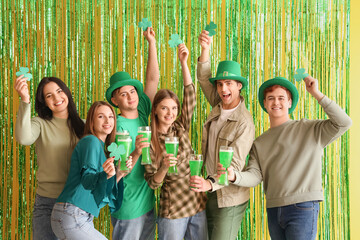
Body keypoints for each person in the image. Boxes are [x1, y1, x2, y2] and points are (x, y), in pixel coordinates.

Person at [223, 76, 352, 239]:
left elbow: (344, 123)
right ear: (265, 104)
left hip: (303, 207)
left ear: (290, 103)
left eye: (281, 98)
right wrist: (234, 176)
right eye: (271, 98)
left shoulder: (309, 129)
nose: (276, 102)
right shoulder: (259, 142)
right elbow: (255, 176)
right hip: (274, 209)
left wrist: (316, 93)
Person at [190, 30, 255, 240]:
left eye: (228, 84)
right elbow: (203, 77)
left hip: (229, 197)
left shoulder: (244, 123)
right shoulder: (218, 104)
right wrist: (205, 49)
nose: (223, 88)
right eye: (219, 84)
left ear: (239, 86)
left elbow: (233, 166)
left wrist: (210, 184)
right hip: (209, 193)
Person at [144, 44, 207, 240]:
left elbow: (190, 96)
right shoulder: (150, 141)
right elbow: (152, 183)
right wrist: (163, 167)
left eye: (173, 108)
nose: (170, 113)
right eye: (164, 108)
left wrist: (184, 63)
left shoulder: (180, 127)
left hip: (198, 203)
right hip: (173, 211)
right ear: (155, 110)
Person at [105, 27, 160, 240]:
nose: (130, 96)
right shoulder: (114, 125)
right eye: (123, 94)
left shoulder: (143, 111)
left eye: (132, 91)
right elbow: (117, 169)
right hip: (127, 204)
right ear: (115, 101)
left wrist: (151, 43)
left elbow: (152, 80)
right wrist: (137, 152)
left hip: (147, 199)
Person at [14, 75, 85, 239]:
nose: (56, 97)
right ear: (44, 102)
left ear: (66, 93)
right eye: (49, 95)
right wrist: (25, 100)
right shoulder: (40, 123)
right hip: (47, 202)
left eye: (59, 91)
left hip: (77, 204)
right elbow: (24, 138)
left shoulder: (85, 125)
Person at [51, 101, 130, 239]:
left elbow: (100, 189)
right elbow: (88, 181)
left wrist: (119, 173)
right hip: (73, 214)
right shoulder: (91, 141)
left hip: (75, 215)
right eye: (101, 116)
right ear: (91, 121)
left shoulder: (99, 147)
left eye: (111, 116)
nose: (107, 120)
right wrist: (106, 173)